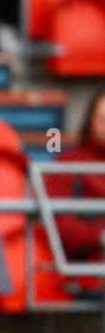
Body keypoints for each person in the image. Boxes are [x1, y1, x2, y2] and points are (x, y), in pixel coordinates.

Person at [46, 89, 105, 264]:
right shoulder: (69, 163)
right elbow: (62, 224)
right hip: (87, 277)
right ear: (90, 121)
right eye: (103, 119)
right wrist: (99, 236)